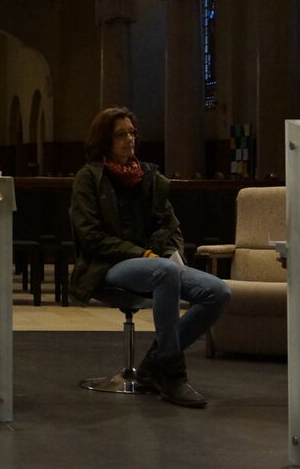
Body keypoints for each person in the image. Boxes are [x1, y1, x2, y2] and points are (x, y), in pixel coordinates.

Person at [68, 106, 231, 408]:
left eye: (132, 133)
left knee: (218, 291)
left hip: (155, 261)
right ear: (105, 140)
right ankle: (172, 374)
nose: (129, 139)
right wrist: (143, 254)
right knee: (164, 271)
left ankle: (153, 365)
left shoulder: (149, 177)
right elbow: (91, 237)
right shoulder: (89, 177)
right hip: (107, 265)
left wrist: (172, 252)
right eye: (121, 134)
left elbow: (171, 226)